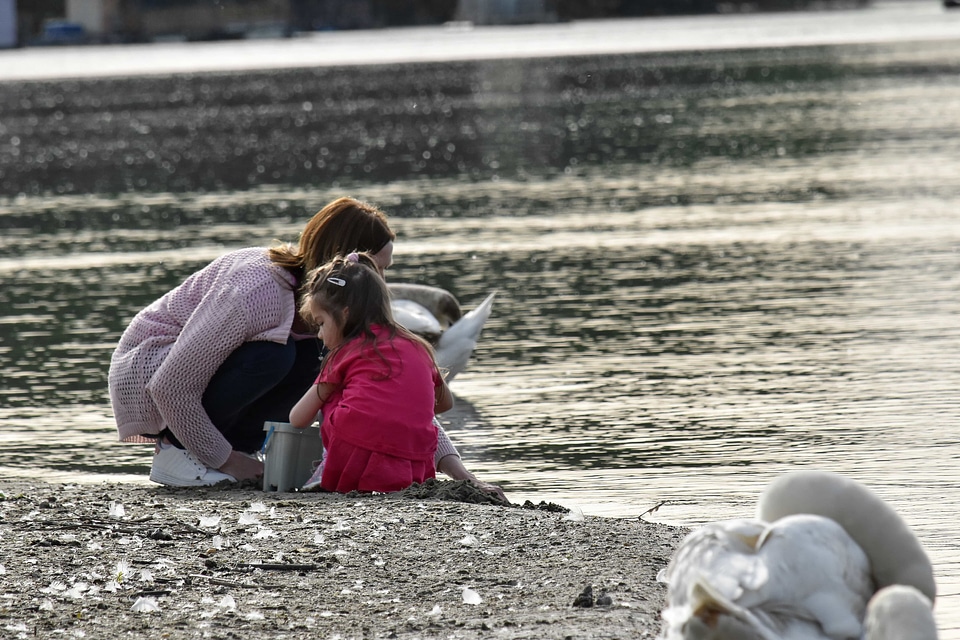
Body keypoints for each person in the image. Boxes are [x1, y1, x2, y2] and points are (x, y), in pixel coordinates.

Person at [108, 196, 506, 501]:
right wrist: (227, 460)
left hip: (197, 389)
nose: (382, 283)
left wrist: (465, 478)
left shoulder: (340, 314)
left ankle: (227, 452)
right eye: (378, 270)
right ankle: (182, 454)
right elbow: (169, 386)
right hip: (151, 374)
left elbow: (406, 397)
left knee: (316, 365)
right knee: (275, 357)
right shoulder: (255, 291)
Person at [289, 252, 453, 493]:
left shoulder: (343, 353)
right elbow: (444, 403)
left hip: (353, 456)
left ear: (345, 313)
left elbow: (298, 418)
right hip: (415, 462)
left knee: (332, 395)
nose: (321, 335)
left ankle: (325, 469)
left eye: (321, 323)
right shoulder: (418, 346)